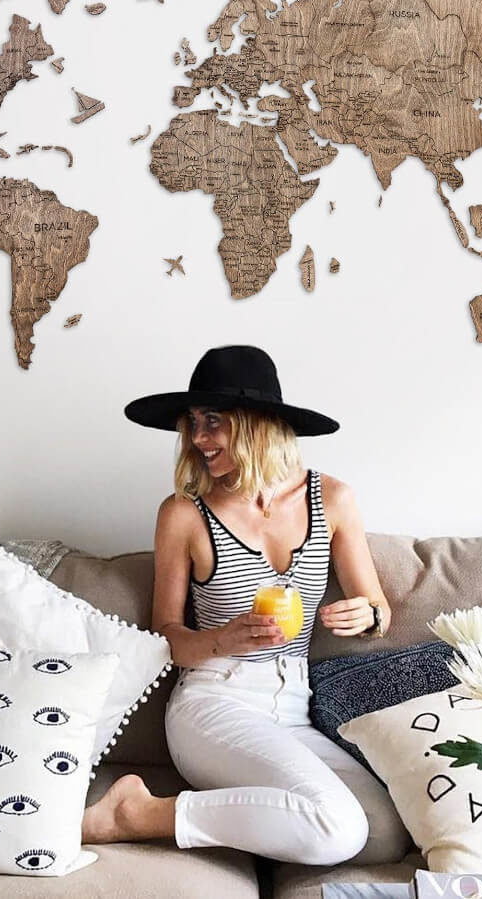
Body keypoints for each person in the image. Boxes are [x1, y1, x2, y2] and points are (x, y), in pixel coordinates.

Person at [81, 345, 392, 865]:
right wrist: (223, 639)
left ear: (258, 424)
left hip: (292, 707)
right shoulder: (184, 513)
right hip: (213, 701)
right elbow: (166, 639)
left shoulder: (332, 499)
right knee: (336, 828)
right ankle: (136, 814)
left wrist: (367, 615)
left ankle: (274, 820)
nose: (199, 440)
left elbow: (378, 607)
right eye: (193, 424)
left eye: (214, 422)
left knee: (381, 835)